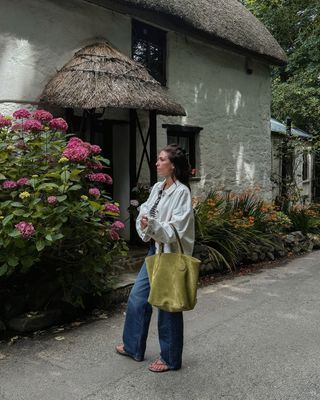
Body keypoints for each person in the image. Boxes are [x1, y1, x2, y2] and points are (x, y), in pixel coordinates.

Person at [115, 143, 195, 373]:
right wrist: (146, 222)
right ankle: (133, 346)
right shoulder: (158, 187)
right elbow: (146, 210)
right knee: (137, 299)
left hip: (169, 256)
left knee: (168, 305)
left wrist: (150, 224)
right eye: (158, 159)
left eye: (162, 159)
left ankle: (170, 358)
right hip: (154, 252)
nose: (157, 162)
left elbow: (176, 229)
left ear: (173, 166)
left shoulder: (182, 192)